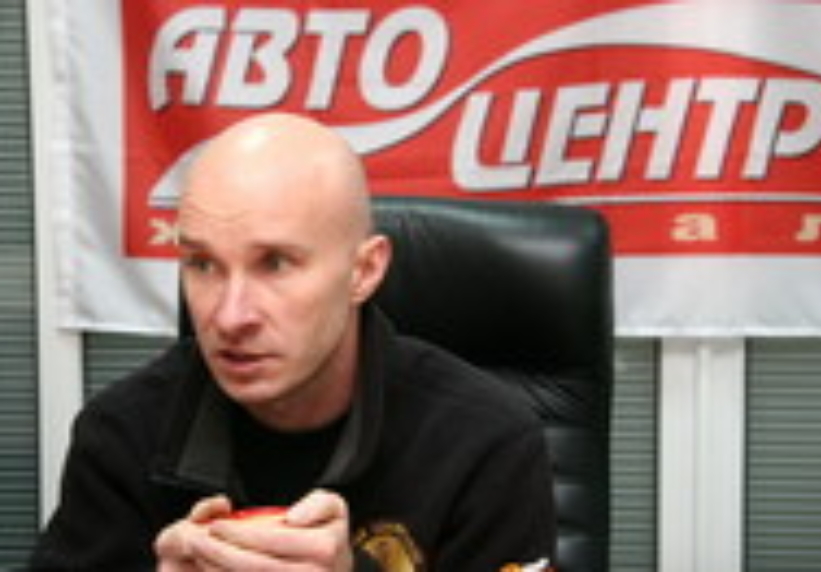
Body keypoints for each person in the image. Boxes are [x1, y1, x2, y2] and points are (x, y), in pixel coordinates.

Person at [29, 113, 556, 571]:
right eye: (202, 264)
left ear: (364, 271)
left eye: (275, 264)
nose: (229, 316)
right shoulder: (123, 434)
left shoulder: (484, 444)